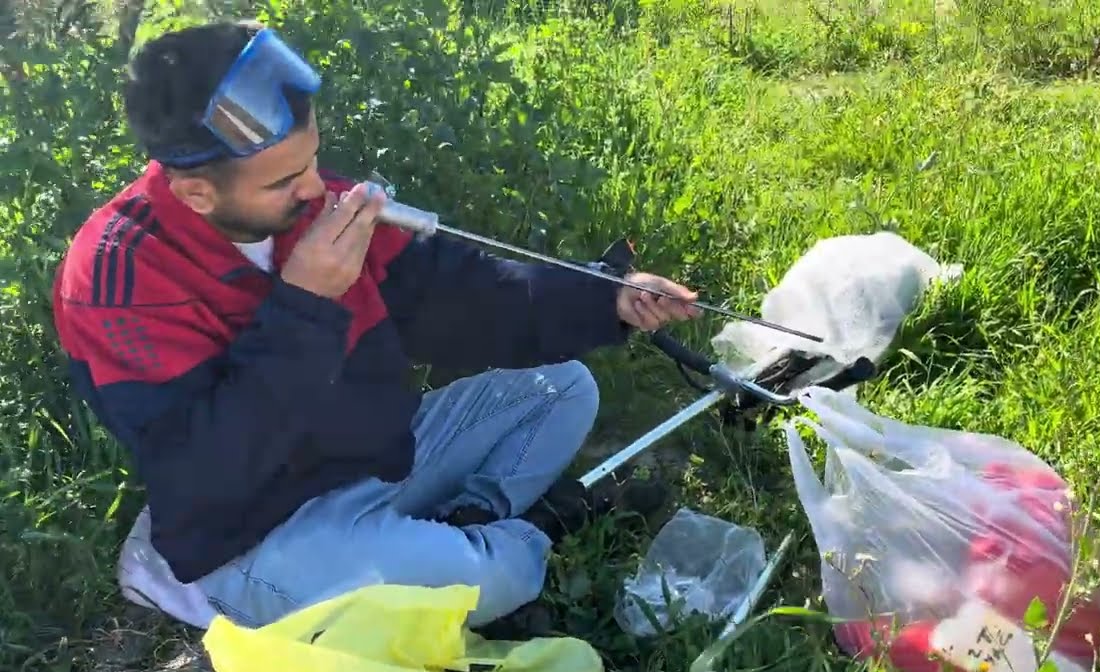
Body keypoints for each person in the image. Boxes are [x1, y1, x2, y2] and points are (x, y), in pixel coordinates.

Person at [50, 21, 701, 633]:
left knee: (562, 390)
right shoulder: (116, 281)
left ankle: (453, 529)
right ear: (196, 192)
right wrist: (307, 302)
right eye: (283, 181)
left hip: (365, 461)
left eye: (312, 162)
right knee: (495, 580)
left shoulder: (308, 203)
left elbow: (468, 295)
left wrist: (605, 296)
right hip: (249, 524)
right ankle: (181, 577)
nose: (316, 190)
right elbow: (209, 470)